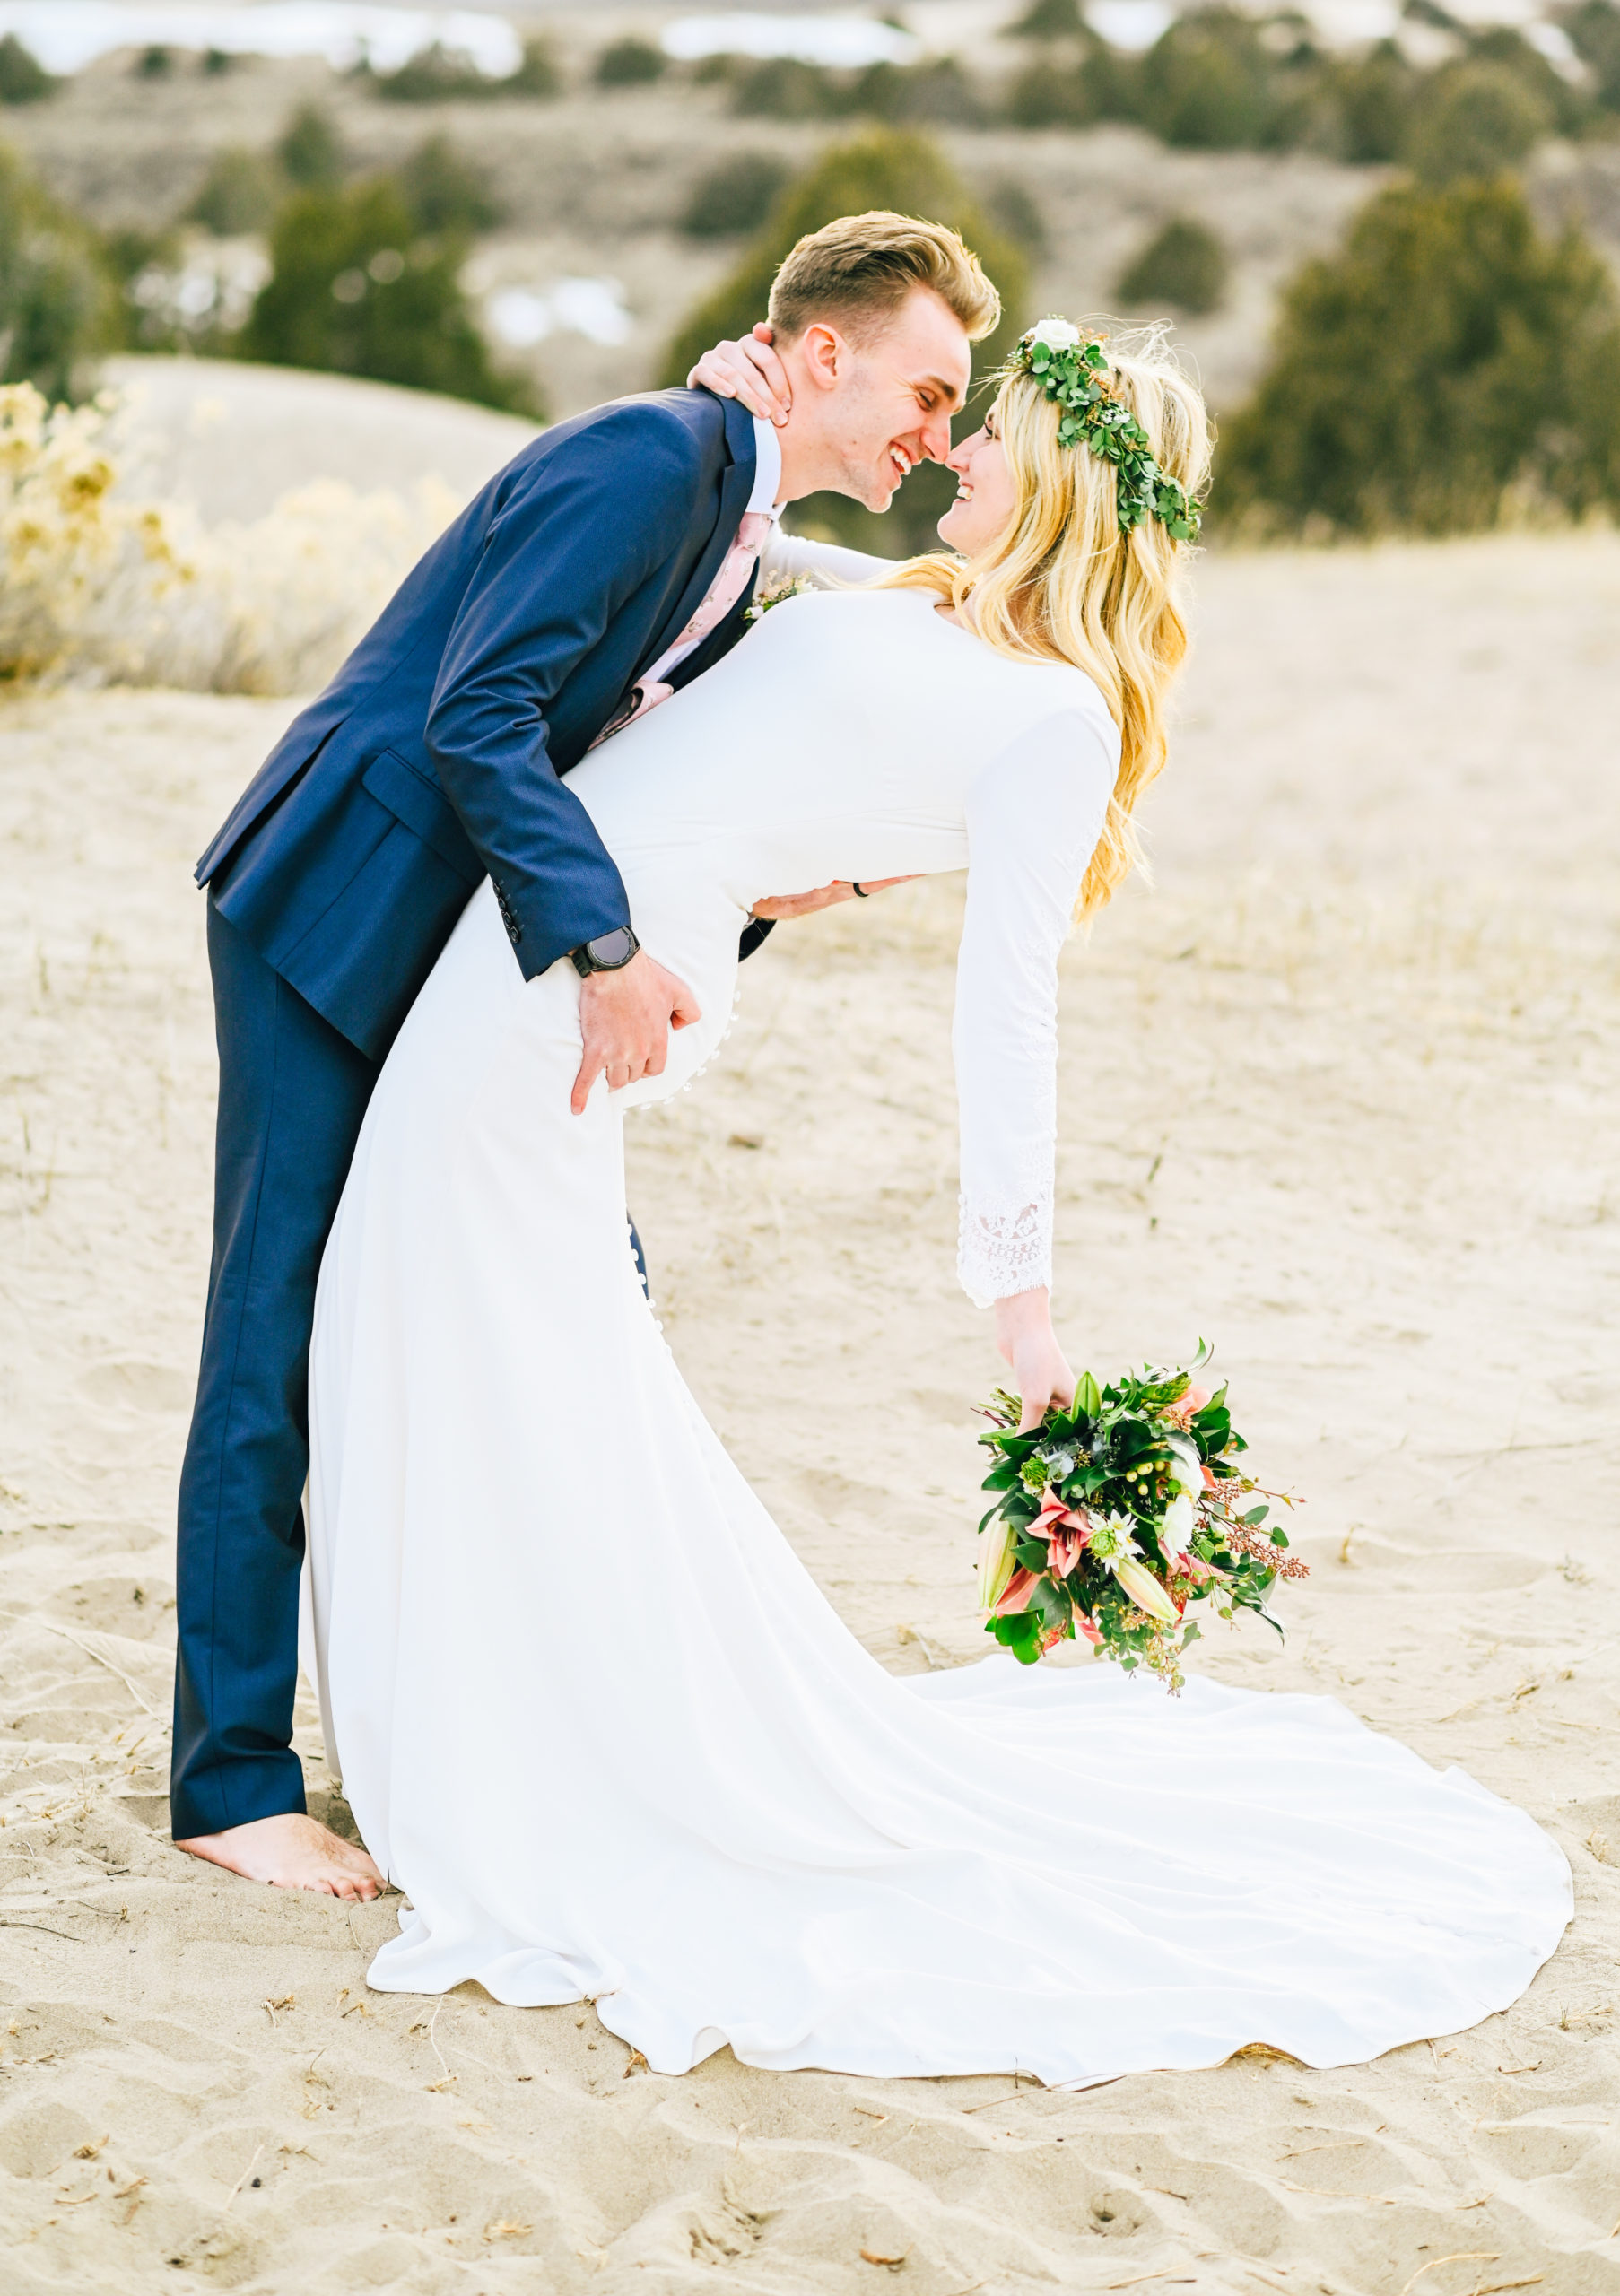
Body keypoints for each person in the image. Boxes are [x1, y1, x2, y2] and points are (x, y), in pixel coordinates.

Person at [304, 314, 1570, 2083]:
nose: (956, 452)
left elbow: (1009, 1013)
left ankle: (518, 1733)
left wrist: (1023, 1308)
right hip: (554, 928)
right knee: (470, 1303)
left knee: (482, 1302)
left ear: (1056, 475)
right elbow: (756, 657)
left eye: (988, 436)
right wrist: (748, 429)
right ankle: (489, 1704)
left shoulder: (1052, 722)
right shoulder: (914, 606)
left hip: (588, 978)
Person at [172, 212, 998, 1897]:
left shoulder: (733, 511)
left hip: (455, 948)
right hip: (339, 905)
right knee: (276, 1320)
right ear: (821, 353)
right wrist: (605, 956)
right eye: (924, 389)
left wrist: (768, 893)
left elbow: (617, 763)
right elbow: (480, 710)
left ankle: (527, 1722)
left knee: (564, 1291)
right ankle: (230, 1784)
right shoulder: (649, 455)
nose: (933, 435)